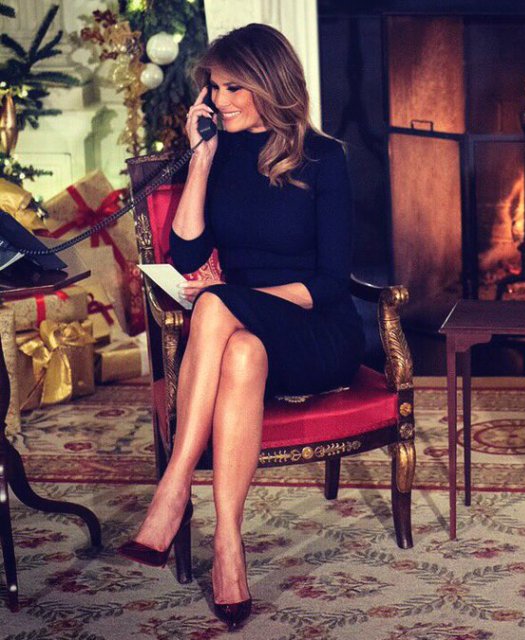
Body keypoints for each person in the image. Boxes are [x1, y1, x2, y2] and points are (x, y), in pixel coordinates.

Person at [117, 23, 363, 630]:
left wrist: (237, 300)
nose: (219, 99)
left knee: (217, 306)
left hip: (316, 331)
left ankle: (175, 486)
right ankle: (228, 543)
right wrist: (200, 162)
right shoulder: (218, 152)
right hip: (243, 332)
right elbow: (185, 255)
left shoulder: (324, 158)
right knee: (243, 350)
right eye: (214, 87)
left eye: (233, 87)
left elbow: (332, 282)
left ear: (269, 85)